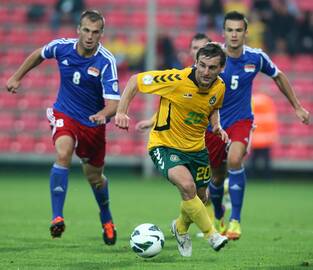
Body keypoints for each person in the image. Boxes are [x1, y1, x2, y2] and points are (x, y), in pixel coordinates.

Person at [6, 10, 120, 245]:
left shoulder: (105, 61)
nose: (90, 36)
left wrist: (102, 115)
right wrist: (17, 77)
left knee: (95, 179)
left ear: (101, 34)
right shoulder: (62, 47)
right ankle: (57, 216)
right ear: (78, 29)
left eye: (95, 32)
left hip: (93, 124)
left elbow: (115, 105)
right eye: (86, 30)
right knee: (63, 153)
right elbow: (39, 53)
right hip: (65, 113)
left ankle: (106, 217)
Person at [115, 43, 229, 257]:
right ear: (195, 62)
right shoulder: (176, 80)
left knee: (201, 197)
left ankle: (180, 227)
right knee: (187, 186)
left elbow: (213, 107)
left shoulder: (220, 87)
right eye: (202, 65)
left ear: (221, 68)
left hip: (197, 149)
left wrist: (216, 126)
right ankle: (211, 234)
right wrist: (122, 111)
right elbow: (134, 81)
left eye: (212, 67)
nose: (205, 72)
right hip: (165, 145)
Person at [206, 11, 310, 241]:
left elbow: (279, 75)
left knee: (234, 160)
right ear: (224, 32)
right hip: (214, 124)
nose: (234, 35)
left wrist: (297, 107)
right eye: (230, 30)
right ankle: (219, 213)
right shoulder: (213, 55)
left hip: (242, 121)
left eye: (238, 30)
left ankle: (236, 221)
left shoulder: (256, 58)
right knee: (215, 178)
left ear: (246, 33)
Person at [249, 92, 278, 179]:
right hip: (265, 141)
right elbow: (272, 126)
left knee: (253, 160)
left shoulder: (253, 113)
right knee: (266, 160)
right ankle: (267, 177)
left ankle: (252, 177)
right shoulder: (268, 111)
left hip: (255, 141)